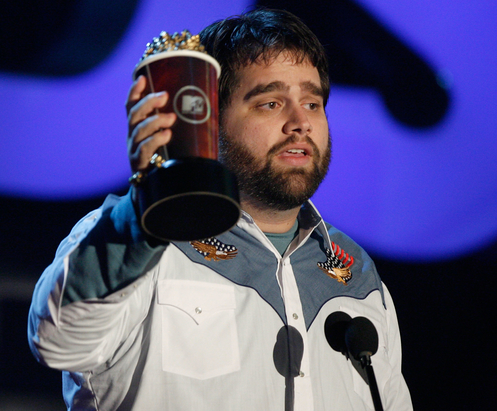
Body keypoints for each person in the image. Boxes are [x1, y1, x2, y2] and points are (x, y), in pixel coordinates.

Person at [28, 8, 412, 410]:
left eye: (313, 103)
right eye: (271, 103)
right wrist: (144, 220)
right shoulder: (139, 240)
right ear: (210, 121)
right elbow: (58, 343)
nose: (301, 122)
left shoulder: (358, 273)